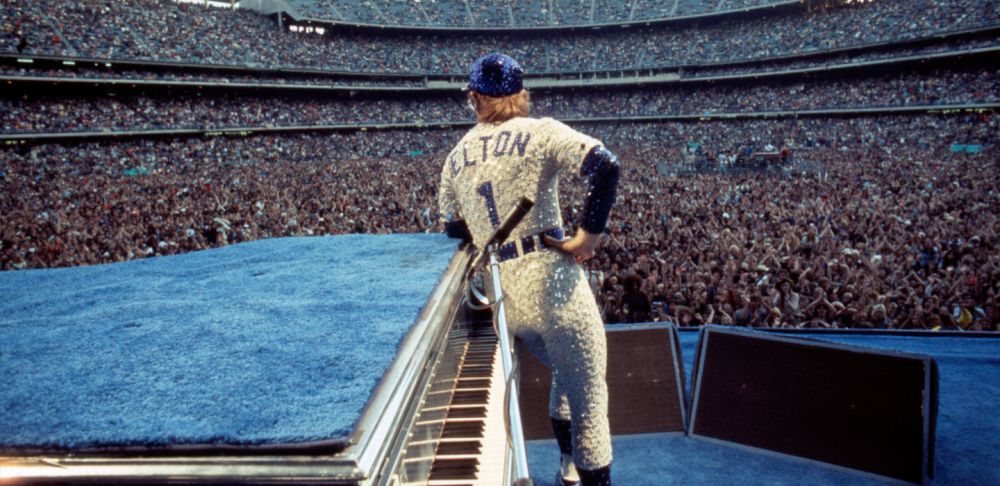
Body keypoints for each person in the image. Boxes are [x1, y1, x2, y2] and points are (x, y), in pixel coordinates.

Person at [438, 53, 619, 486]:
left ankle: (567, 466)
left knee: (563, 372)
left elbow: (454, 229)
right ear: (521, 96)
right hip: (554, 287)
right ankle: (581, 469)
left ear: (475, 98)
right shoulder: (540, 131)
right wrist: (587, 239)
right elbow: (605, 166)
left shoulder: (454, 157)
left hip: (501, 298)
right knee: (590, 400)